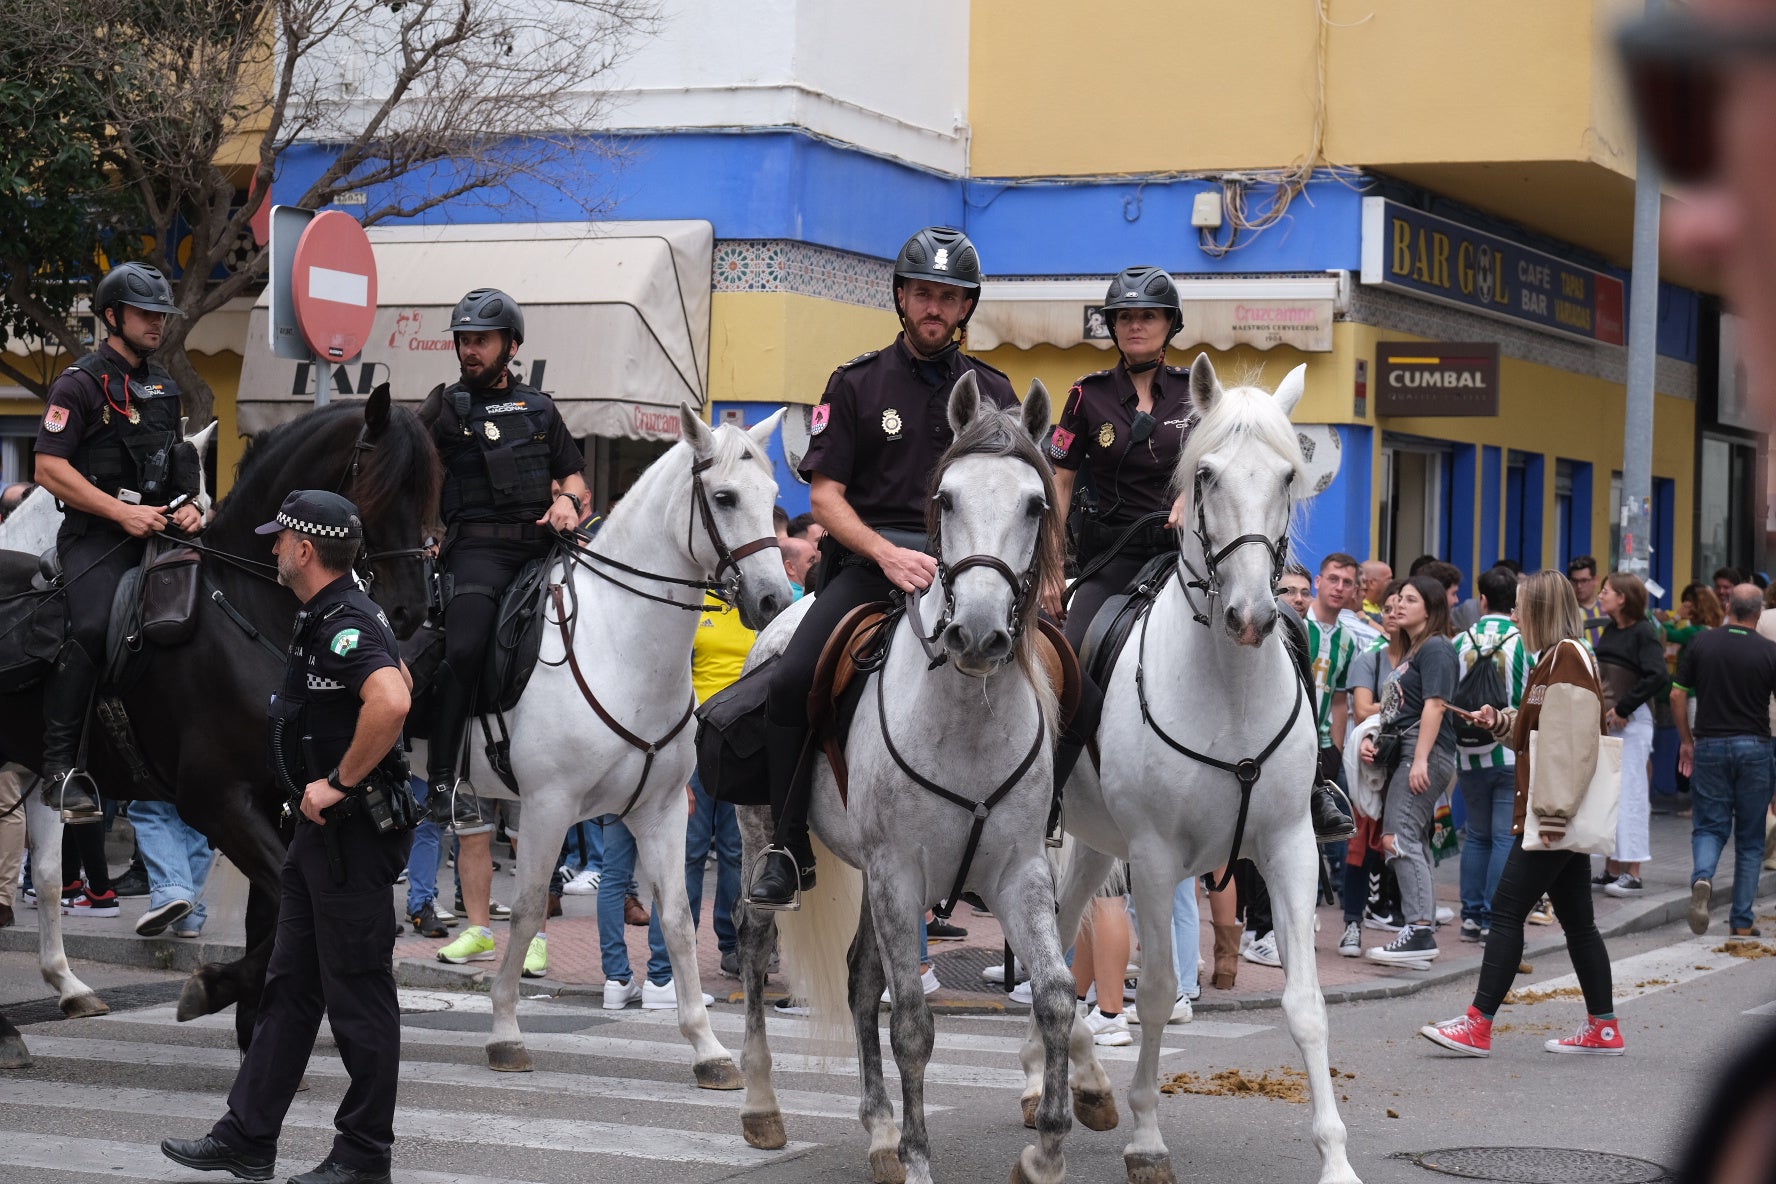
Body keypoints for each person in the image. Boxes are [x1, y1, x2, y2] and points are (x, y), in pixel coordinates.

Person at [747, 226, 1019, 908]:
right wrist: (885, 553)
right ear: (902, 298)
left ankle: (1024, 831)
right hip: (872, 566)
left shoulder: (994, 390)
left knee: (1060, 680)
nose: (935, 307)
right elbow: (825, 497)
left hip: (971, 570)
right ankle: (785, 846)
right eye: (923, 293)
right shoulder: (857, 382)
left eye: (948, 297)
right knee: (792, 681)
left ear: (966, 308)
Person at [161, 490, 416, 1184]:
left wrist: (338, 781)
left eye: (279, 539)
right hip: (318, 839)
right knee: (289, 987)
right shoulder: (330, 614)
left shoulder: (344, 621)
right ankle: (248, 1135)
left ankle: (364, 1157)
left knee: (358, 996)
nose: (271, 547)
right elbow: (402, 678)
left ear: (305, 550)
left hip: (349, 837)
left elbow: (392, 699)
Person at [421, 287, 588, 978]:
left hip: (542, 549)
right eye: (463, 337)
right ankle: (440, 775)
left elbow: (577, 483)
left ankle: (535, 929)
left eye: (482, 339)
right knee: (461, 647)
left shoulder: (542, 410)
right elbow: (403, 472)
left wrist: (570, 508)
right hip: (476, 555)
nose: (470, 348)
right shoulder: (440, 407)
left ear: (511, 346)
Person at [1419, 570, 1622, 1058]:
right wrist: (1501, 721)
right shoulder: (1554, 658)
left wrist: (1551, 817)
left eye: (1521, 607)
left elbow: (1570, 749)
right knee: (1578, 922)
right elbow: (1544, 734)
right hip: (1558, 812)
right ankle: (1604, 1027)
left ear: (1540, 610)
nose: (1514, 615)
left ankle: (1478, 1025)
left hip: (1555, 814)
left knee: (1507, 910)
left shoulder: (1566, 659)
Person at [31, 262, 204, 823]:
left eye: (162, 314)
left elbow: (177, 468)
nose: (158, 323)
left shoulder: (161, 386)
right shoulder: (78, 383)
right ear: (112, 316)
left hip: (160, 530)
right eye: (146, 314)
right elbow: (49, 468)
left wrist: (192, 507)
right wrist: (119, 513)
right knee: (89, 627)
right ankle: (61, 771)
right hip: (97, 537)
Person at [1359, 575, 1458, 965]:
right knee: (1411, 839)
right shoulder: (1417, 648)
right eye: (1397, 599)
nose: (1398, 606)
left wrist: (1419, 759)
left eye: (1410, 600)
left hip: (1424, 756)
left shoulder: (1436, 648)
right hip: (1408, 753)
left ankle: (1418, 930)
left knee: (1396, 838)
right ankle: (1421, 927)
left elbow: (1435, 705)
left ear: (1431, 609)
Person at [1672, 584, 1776, 940]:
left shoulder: (1702, 643)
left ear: (1729, 606)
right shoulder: (1769, 651)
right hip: (1755, 747)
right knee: (1749, 839)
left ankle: (1702, 876)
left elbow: (1676, 693)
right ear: (1758, 613)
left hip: (1711, 744)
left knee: (1709, 827)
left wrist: (1687, 740)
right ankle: (1742, 921)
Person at [1450, 565, 1533, 943]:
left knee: (1478, 836)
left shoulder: (1459, 641)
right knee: (1504, 838)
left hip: (1468, 753)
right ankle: (1492, 918)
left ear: (1482, 600)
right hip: (1512, 752)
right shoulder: (1524, 642)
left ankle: (1469, 916)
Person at [1592, 572, 1667, 897]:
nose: (1600, 596)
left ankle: (1633, 871)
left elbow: (1657, 675)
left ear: (1622, 598)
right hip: (1610, 724)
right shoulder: (1611, 629)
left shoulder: (1643, 632)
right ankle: (1611, 868)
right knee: (1607, 794)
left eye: (1606, 591)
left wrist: (1624, 708)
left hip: (1632, 724)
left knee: (1632, 793)